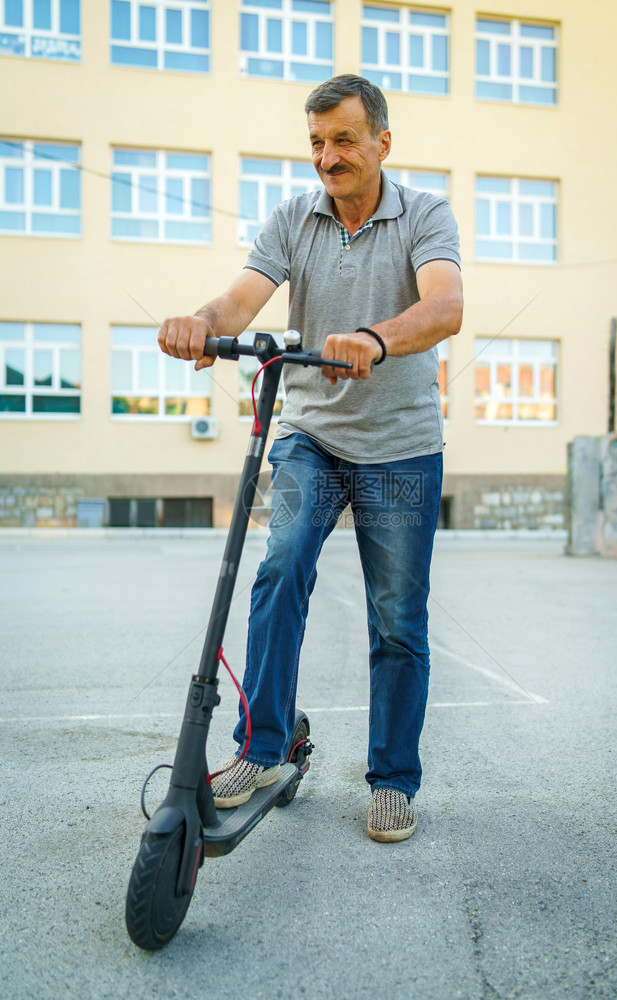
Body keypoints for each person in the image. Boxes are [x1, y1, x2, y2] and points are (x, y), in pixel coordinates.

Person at [158, 74, 463, 843]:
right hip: (312, 438)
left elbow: (445, 307)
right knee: (279, 566)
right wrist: (199, 323)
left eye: (344, 141)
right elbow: (239, 300)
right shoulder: (294, 217)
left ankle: (392, 779)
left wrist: (373, 338)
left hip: (400, 446)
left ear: (382, 143)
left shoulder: (423, 214)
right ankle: (261, 749)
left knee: (396, 619)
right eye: (317, 143)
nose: (327, 158)